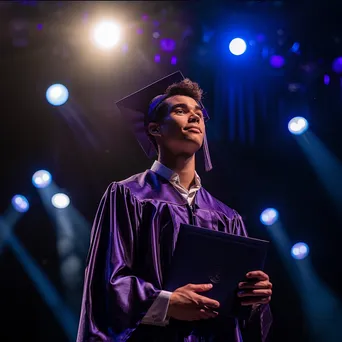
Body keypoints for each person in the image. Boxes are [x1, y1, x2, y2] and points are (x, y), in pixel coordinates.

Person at [77, 71, 273, 342]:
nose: (195, 117)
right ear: (154, 129)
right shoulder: (128, 196)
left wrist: (253, 300)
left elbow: (241, 318)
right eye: (181, 111)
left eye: (199, 114)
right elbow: (106, 283)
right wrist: (166, 303)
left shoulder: (227, 217)